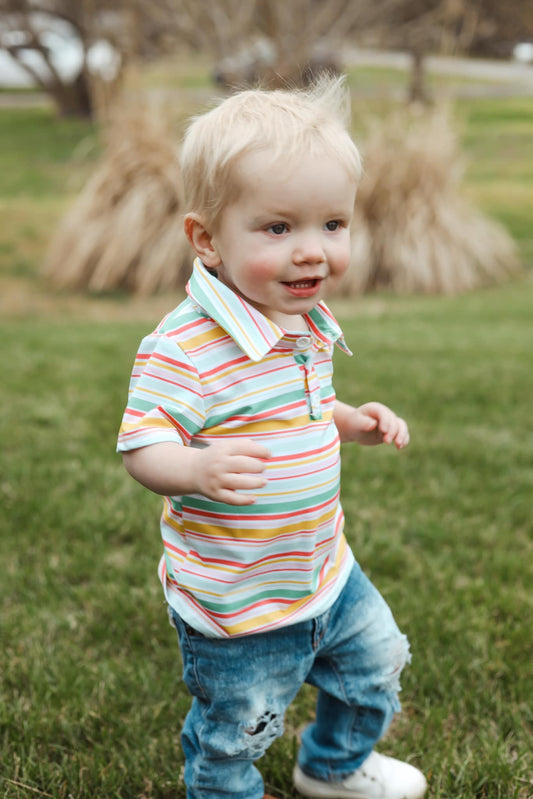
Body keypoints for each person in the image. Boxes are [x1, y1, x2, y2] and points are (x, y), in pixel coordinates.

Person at [117, 76, 427, 799]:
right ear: (207, 239)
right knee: (235, 730)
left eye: (332, 225)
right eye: (278, 228)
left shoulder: (305, 322)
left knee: (374, 665)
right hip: (238, 603)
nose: (311, 252)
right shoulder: (182, 348)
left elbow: (301, 409)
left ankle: (332, 765)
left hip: (325, 571)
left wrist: (352, 421)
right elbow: (140, 447)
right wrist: (194, 468)